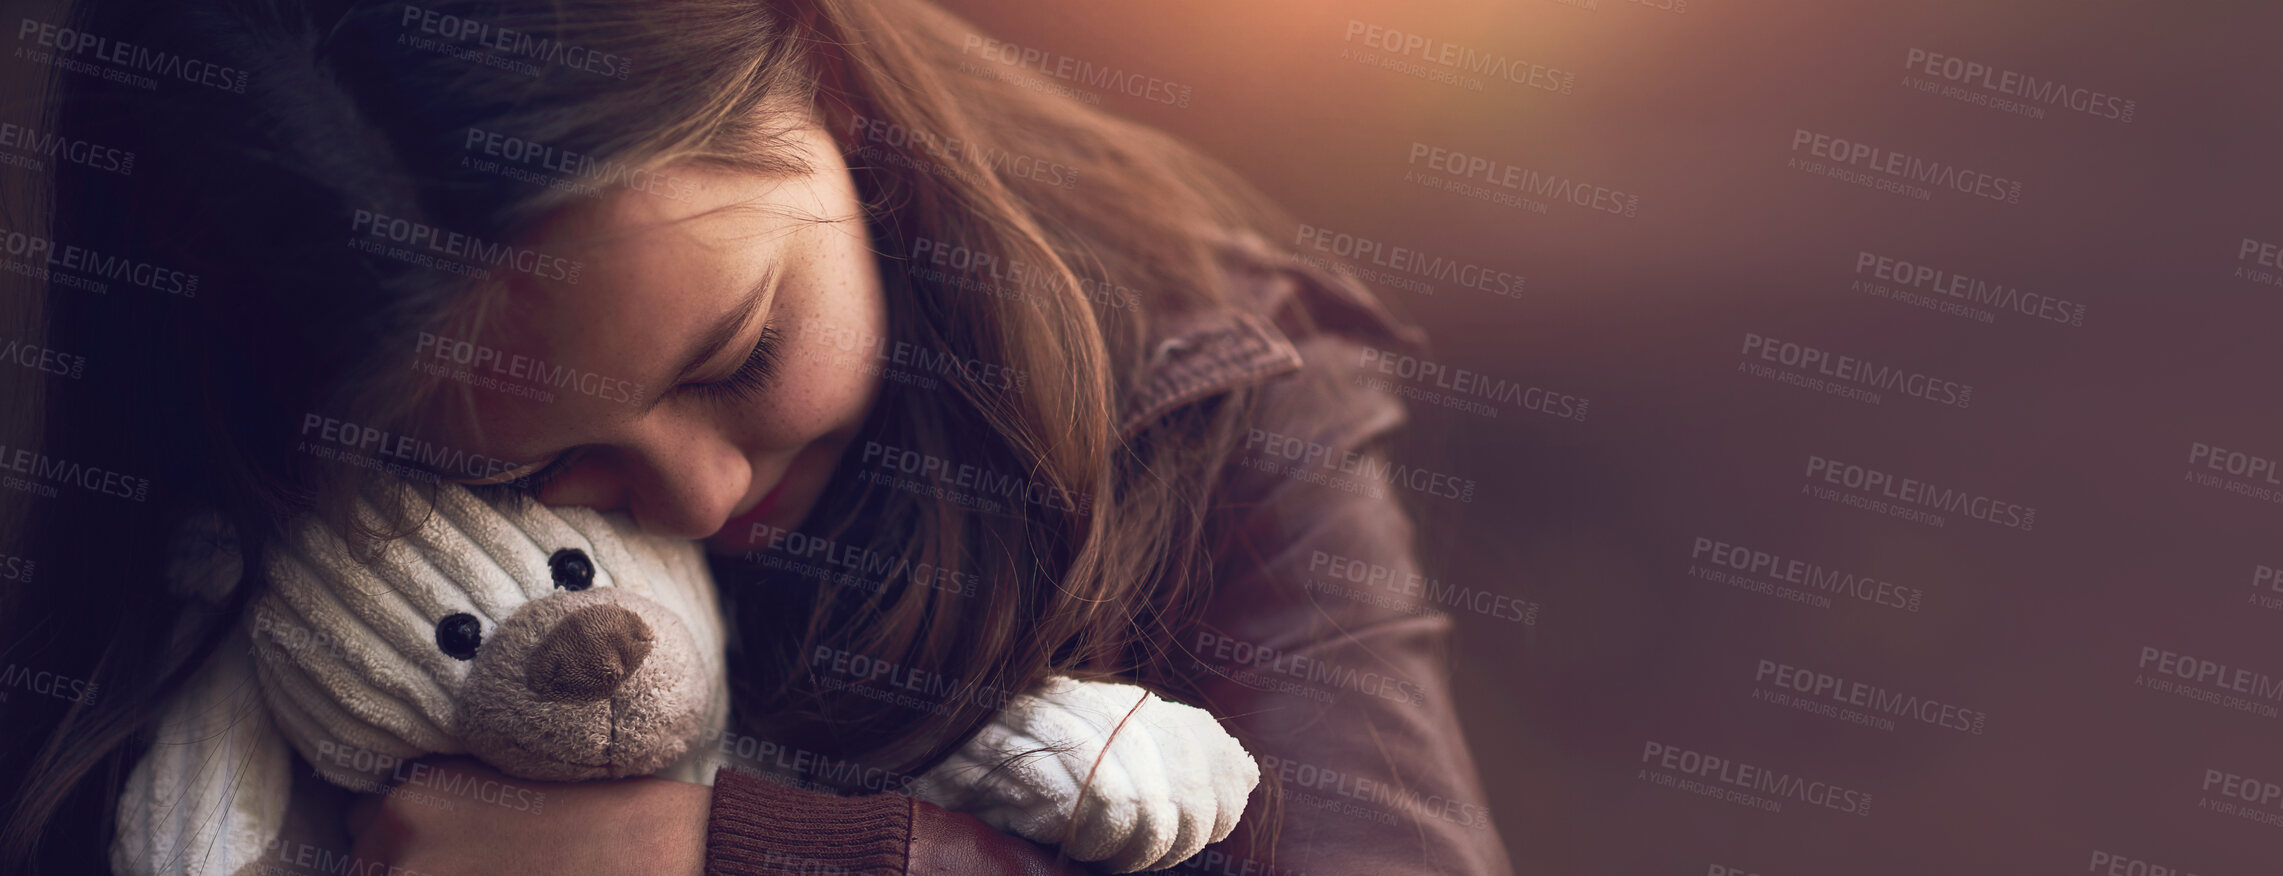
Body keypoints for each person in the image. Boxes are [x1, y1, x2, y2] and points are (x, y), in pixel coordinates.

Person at [0, 0, 1513, 873]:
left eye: (739, 354)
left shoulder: (1210, 397)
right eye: (522, 470)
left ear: (830, 88)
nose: (706, 491)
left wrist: (724, 853)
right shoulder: (226, 618)